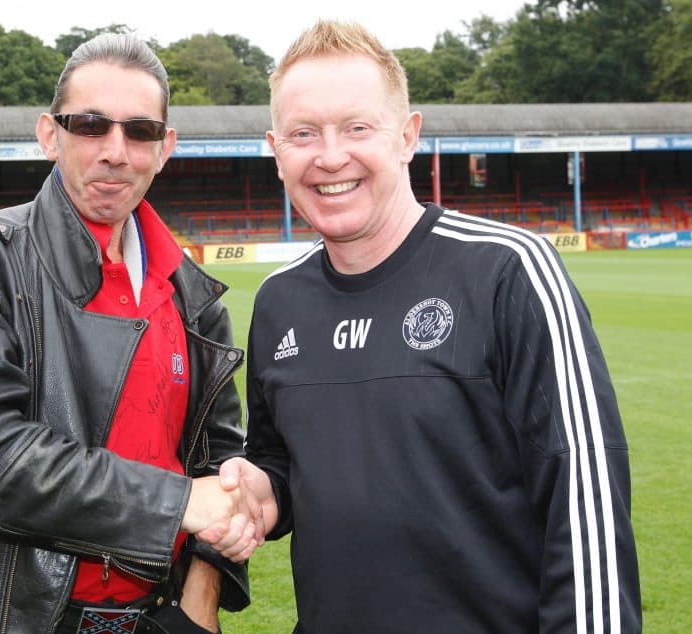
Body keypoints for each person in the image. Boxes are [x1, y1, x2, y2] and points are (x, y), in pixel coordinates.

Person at [209, 20, 642, 632]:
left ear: (408, 136)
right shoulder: (280, 300)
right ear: (276, 151)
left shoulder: (507, 270)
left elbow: (584, 498)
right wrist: (258, 490)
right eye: (304, 133)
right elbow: (282, 462)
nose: (331, 156)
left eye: (358, 128)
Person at [0, 33, 263, 634]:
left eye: (140, 130)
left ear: (165, 147)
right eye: (91, 124)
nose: (116, 151)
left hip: (158, 619)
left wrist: (201, 597)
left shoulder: (193, 296)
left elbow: (219, 460)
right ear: (50, 134)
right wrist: (178, 505)